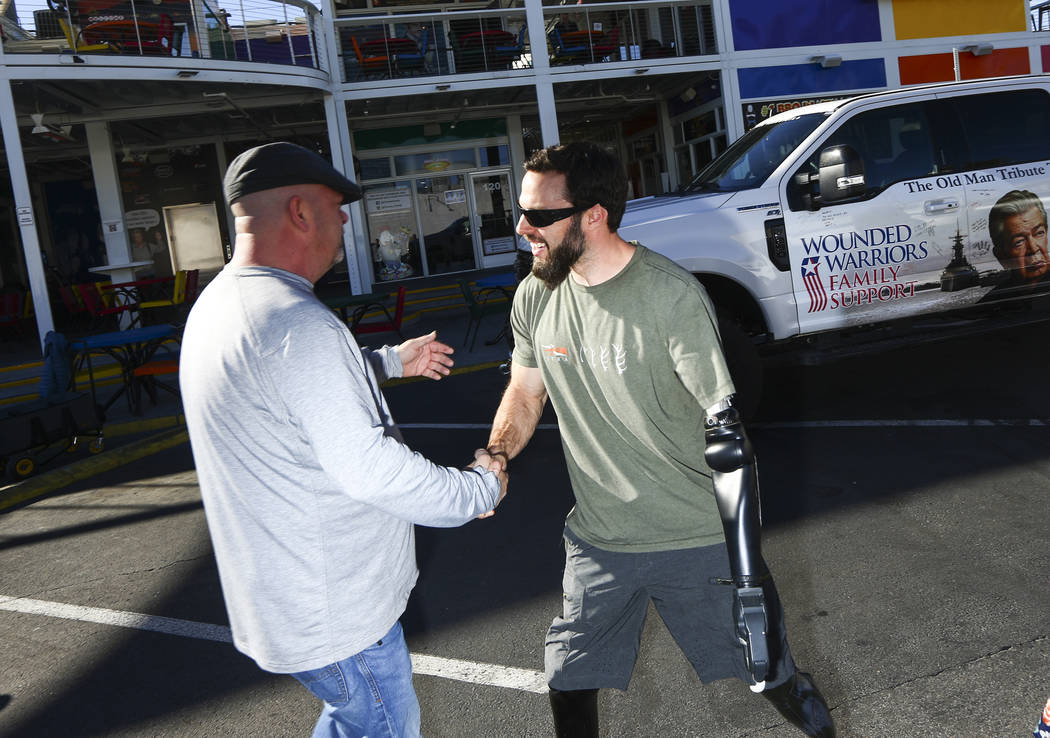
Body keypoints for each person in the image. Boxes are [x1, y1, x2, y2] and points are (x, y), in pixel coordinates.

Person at [483, 142, 834, 737]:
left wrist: (748, 576)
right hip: (599, 543)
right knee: (567, 681)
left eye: (540, 216)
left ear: (594, 214)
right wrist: (495, 456)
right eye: (522, 212)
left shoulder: (671, 296)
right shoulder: (535, 297)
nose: (523, 228)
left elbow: (726, 435)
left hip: (694, 537)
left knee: (771, 676)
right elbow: (524, 393)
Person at [179, 142, 507, 738]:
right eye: (338, 206)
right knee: (381, 726)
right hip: (337, 612)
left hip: (285, 599)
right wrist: (477, 489)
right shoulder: (295, 322)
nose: (347, 219)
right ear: (301, 212)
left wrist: (386, 361)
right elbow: (370, 469)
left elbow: (281, 387)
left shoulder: (222, 305)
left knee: (351, 722)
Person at [988, 189, 1050, 288]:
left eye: (1039, 233)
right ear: (1001, 256)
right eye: (1019, 242)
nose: (1033, 248)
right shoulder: (992, 301)